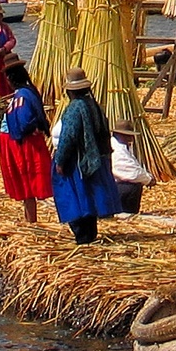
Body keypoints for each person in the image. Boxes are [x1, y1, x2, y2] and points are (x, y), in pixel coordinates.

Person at [51, 66, 120, 245]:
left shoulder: (75, 108)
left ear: (69, 91)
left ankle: (82, 236)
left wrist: (60, 160)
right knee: (89, 198)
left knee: (76, 198)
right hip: (94, 157)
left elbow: (69, 136)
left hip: (77, 161)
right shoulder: (93, 104)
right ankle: (90, 234)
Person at [0, 59, 52, 224]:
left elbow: (26, 121)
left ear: (11, 78)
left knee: (27, 183)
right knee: (26, 184)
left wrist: (26, 131)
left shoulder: (23, 95)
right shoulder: (27, 92)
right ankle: (29, 219)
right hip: (17, 141)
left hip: (20, 144)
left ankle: (31, 221)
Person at [110, 124, 152, 217]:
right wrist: (148, 179)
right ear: (120, 135)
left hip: (113, 187)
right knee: (133, 186)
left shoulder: (121, 147)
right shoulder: (117, 150)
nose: (131, 139)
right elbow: (132, 173)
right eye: (128, 136)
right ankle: (125, 211)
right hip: (113, 189)